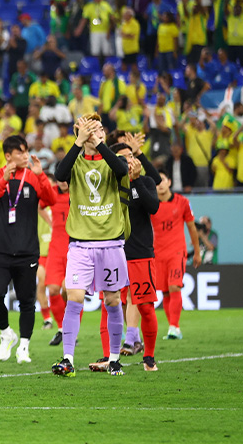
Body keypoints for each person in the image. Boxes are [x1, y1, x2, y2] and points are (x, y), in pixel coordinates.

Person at [52, 113, 130, 377]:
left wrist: (98, 144)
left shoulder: (114, 161)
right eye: (88, 130)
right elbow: (59, 174)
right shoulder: (74, 163)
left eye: (97, 130)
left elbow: (121, 171)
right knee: (74, 298)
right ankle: (67, 359)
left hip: (110, 243)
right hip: (81, 245)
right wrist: (78, 143)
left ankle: (115, 358)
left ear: (104, 135)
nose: (93, 133)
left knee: (112, 300)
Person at [0, 135, 55, 364]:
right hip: (0, 250)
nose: (25, 156)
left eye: (26, 151)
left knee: (26, 300)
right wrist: (3, 180)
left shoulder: (33, 176)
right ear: (9, 155)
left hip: (27, 251)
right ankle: (6, 334)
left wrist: (42, 175)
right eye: (21, 152)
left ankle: (24, 346)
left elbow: (50, 199)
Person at [106, 135, 161, 372]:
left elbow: (153, 207)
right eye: (124, 157)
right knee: (110, 304)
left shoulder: (145, 181)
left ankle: (148, 356)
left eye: (131, 156)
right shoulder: (107, 184)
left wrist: (136, 181)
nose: (129, 160)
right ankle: (110, 356)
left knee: (146, 307)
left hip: (139, 253)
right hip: (110, 250)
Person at [151, 170, 201, 340]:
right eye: (156, 183)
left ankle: (174, 326)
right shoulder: (151, 205)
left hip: (177, 252)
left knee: (174, 286)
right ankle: (173, 328)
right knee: (164, 292)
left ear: (170, 182)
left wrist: (197, 251)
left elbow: (192, 228)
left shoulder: (183, 202)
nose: (160, 185)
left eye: (162, 180)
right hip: (158, 253)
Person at [44, 177, 70, 346]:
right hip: (55, 248)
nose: (63, 182)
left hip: (74, 248)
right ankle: (61, 327)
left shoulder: (78, 191)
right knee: (53, 289)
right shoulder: (52, 192)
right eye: (60, 179)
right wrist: (49, 222)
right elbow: (40, 206)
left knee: (70, 291)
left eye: (65, 178)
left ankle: (70, 329)